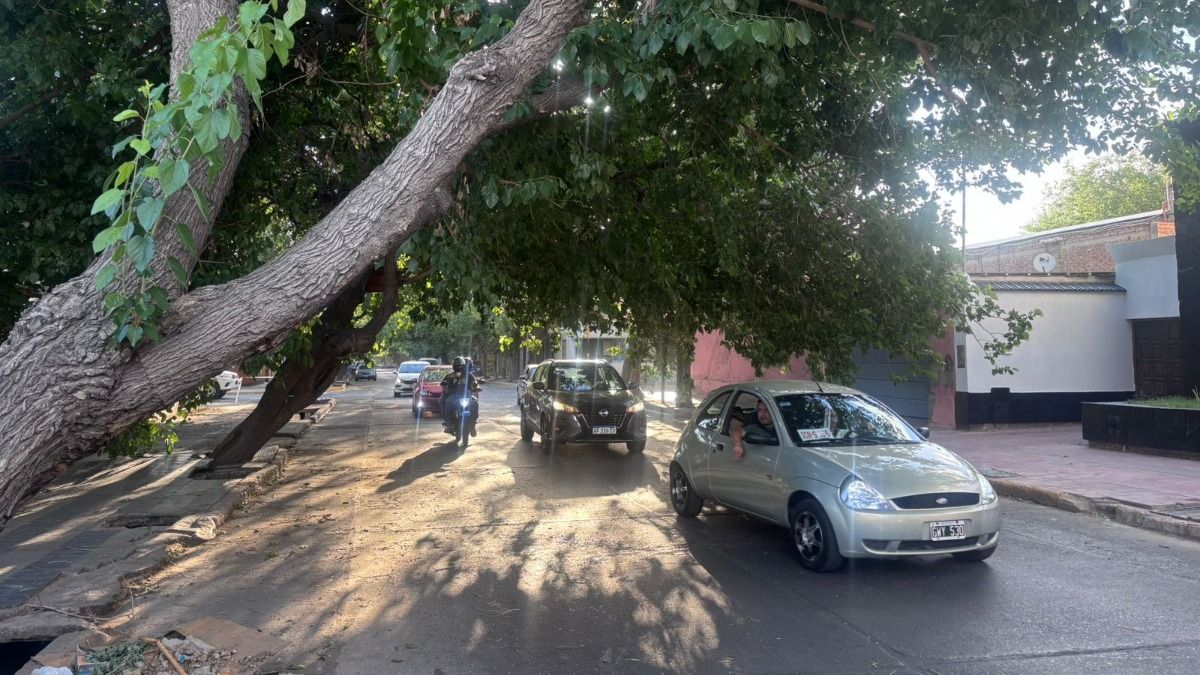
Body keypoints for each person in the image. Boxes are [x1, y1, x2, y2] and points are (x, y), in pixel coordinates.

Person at [441, 356, 480, 431]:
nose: (459, 367)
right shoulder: (449, 376)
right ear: (453, 366)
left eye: (461, 366)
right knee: (447, 403)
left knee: (475, 403)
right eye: (457, 366)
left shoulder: (469, 375)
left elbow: (475, 383)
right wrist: (445, 386)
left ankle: (473, 424)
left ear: (464, 366)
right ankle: (448, 424)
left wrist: (476, 387)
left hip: (467, 396)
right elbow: (444, 383)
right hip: (454, 396)